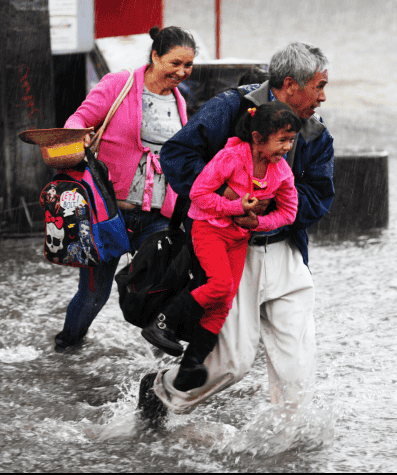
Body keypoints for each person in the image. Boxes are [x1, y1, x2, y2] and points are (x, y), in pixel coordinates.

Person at [140, 42, 334, 423]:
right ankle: (160, 393)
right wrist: (226, 197)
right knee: (232, 362)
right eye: (320, 85)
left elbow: (318, 197)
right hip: (230, 248)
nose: (324, 97)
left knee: (298, 368)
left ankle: (287, 444)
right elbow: (177, 155)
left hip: (286, 250)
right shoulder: (230, 109)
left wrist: (270, 210)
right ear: (291, 85)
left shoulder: (315, 135)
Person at [53, 26, 197, 352]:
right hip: (110, 213)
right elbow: (78, 119)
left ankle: (162, 362)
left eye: (188, 65)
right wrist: (79, 137)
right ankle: (66, 346)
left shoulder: (179, 101)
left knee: (160, 286)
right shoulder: (120, 84)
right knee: (93, 294)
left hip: (159, 214)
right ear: (156, 55)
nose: (182, 72)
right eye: (175, 63)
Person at [142, 102, 300, 393]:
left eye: (291, 140)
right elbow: (199, 194)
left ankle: (191, 365)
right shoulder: (231, 157)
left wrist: (256, 223)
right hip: (208, 229)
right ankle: (162, 323)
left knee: (224, 302)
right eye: (282, 140)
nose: (287, 147)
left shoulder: (281, 172)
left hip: (238, 237)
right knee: (220, 284)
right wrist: (234, 206)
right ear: (257, 138)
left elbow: (289, 213)